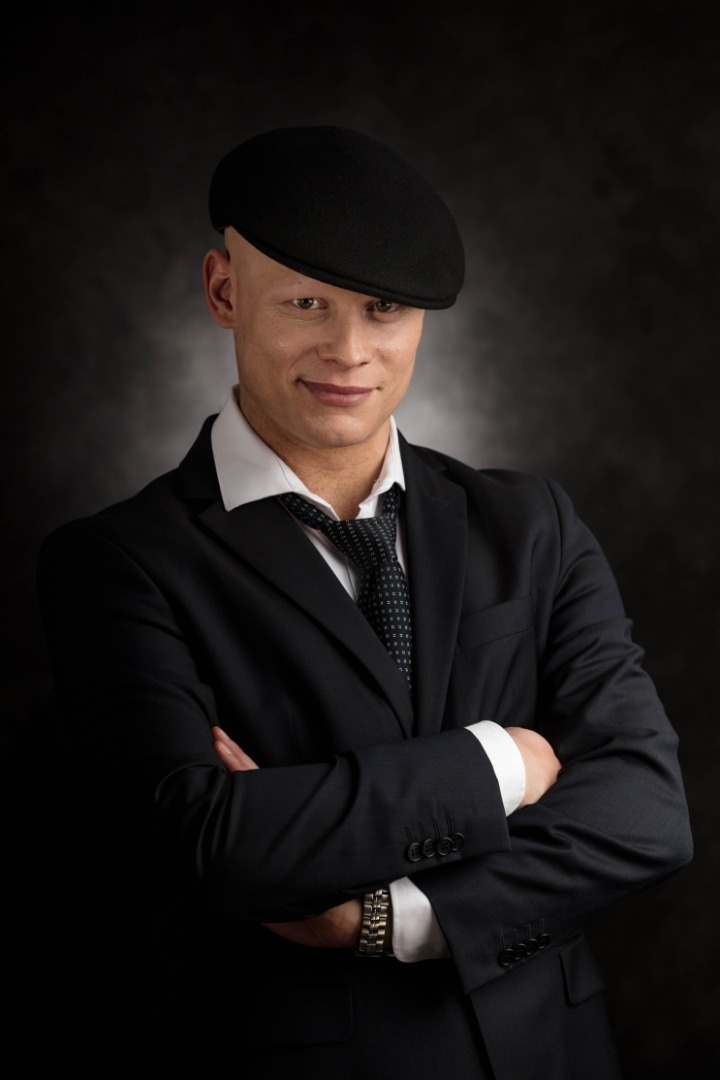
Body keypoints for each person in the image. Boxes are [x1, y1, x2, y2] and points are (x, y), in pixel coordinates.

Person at [37, 126, 692, 1079]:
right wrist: (501, 762)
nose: (349, 351)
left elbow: (646, 810)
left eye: (384, 309)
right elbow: (208, 843)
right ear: (224, 291)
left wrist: (387, 918)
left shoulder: (530, 522)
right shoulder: (119, 562)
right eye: (306, 301)